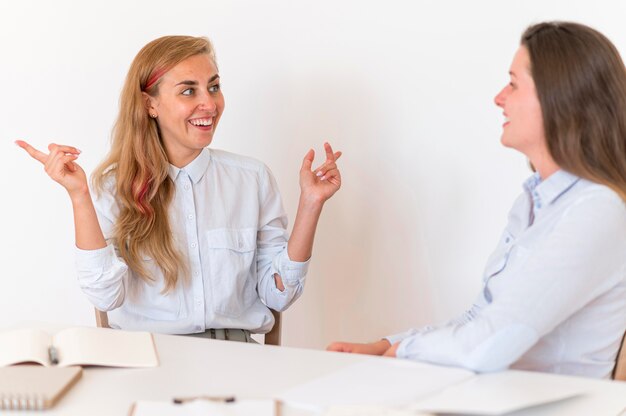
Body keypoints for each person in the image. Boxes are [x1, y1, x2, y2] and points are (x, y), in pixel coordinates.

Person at [328, 21, 626, 378]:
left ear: (560, 97)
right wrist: (385, 343)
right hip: (495, 395)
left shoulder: (597, 211)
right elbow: (480, 319)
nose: (499, 97)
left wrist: (401, 351)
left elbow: (488, 344)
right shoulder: (532, 203)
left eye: (514, 84)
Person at [17, 35, 342, 343]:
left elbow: (279, 295)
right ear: (150, 104)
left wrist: (311, 204)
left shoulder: (252, 178)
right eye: (189, 91)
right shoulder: (114, 187)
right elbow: (105, 295)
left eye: (213, 87)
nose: (209, 104)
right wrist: (79, 195)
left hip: (238, 358)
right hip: (151, 358)